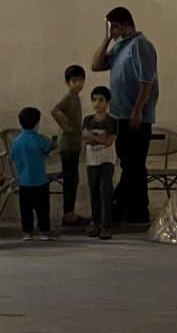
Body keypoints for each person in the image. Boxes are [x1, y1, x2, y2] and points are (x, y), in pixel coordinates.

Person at [91, 6, 159, 224]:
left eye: (114, 27)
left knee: (133, 164)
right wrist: (106, 39)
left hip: (135, 115)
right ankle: (136, 211)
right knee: (130, 164)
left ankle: (120, 207)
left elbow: (146, 83)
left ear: (124, 24)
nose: (112, 31)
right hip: (119, 114)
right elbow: (96, 65)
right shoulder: (121, 45)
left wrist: (137, 111)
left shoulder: (141, 45)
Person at [11, 107, 56, 241]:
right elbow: (49, 148)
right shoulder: (39, 139)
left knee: (25, 210)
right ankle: (44, 232)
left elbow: (13, 157)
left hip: (23, 181)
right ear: (37, 123)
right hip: (40, 181)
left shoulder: (16, 141)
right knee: (42, 209)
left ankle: (27, 232)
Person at [51, 64, 87, 227]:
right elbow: (55, 110)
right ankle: (68, 214)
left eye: (80, 80)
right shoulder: (68, 97)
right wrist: (66, 127)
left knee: (74, 178)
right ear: (68, 82)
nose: (78, 83)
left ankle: (70, 212)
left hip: (74, 144)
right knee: (70, 179)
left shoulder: (75, 97)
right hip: (68, 145)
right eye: (74, 80)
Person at [82, 86, 117, 240]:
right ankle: (95, 223)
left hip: (106, 160)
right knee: (94, 192)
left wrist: (93, 137)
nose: (97, 103)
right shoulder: (88, 120)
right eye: (94, 100)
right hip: (91, 161)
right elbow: (84, 138)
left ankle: (106, 225)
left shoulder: (112, 121)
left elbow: (108, 141)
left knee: (105, 192)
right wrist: (96, 139)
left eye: (101, 100)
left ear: (108, 102)